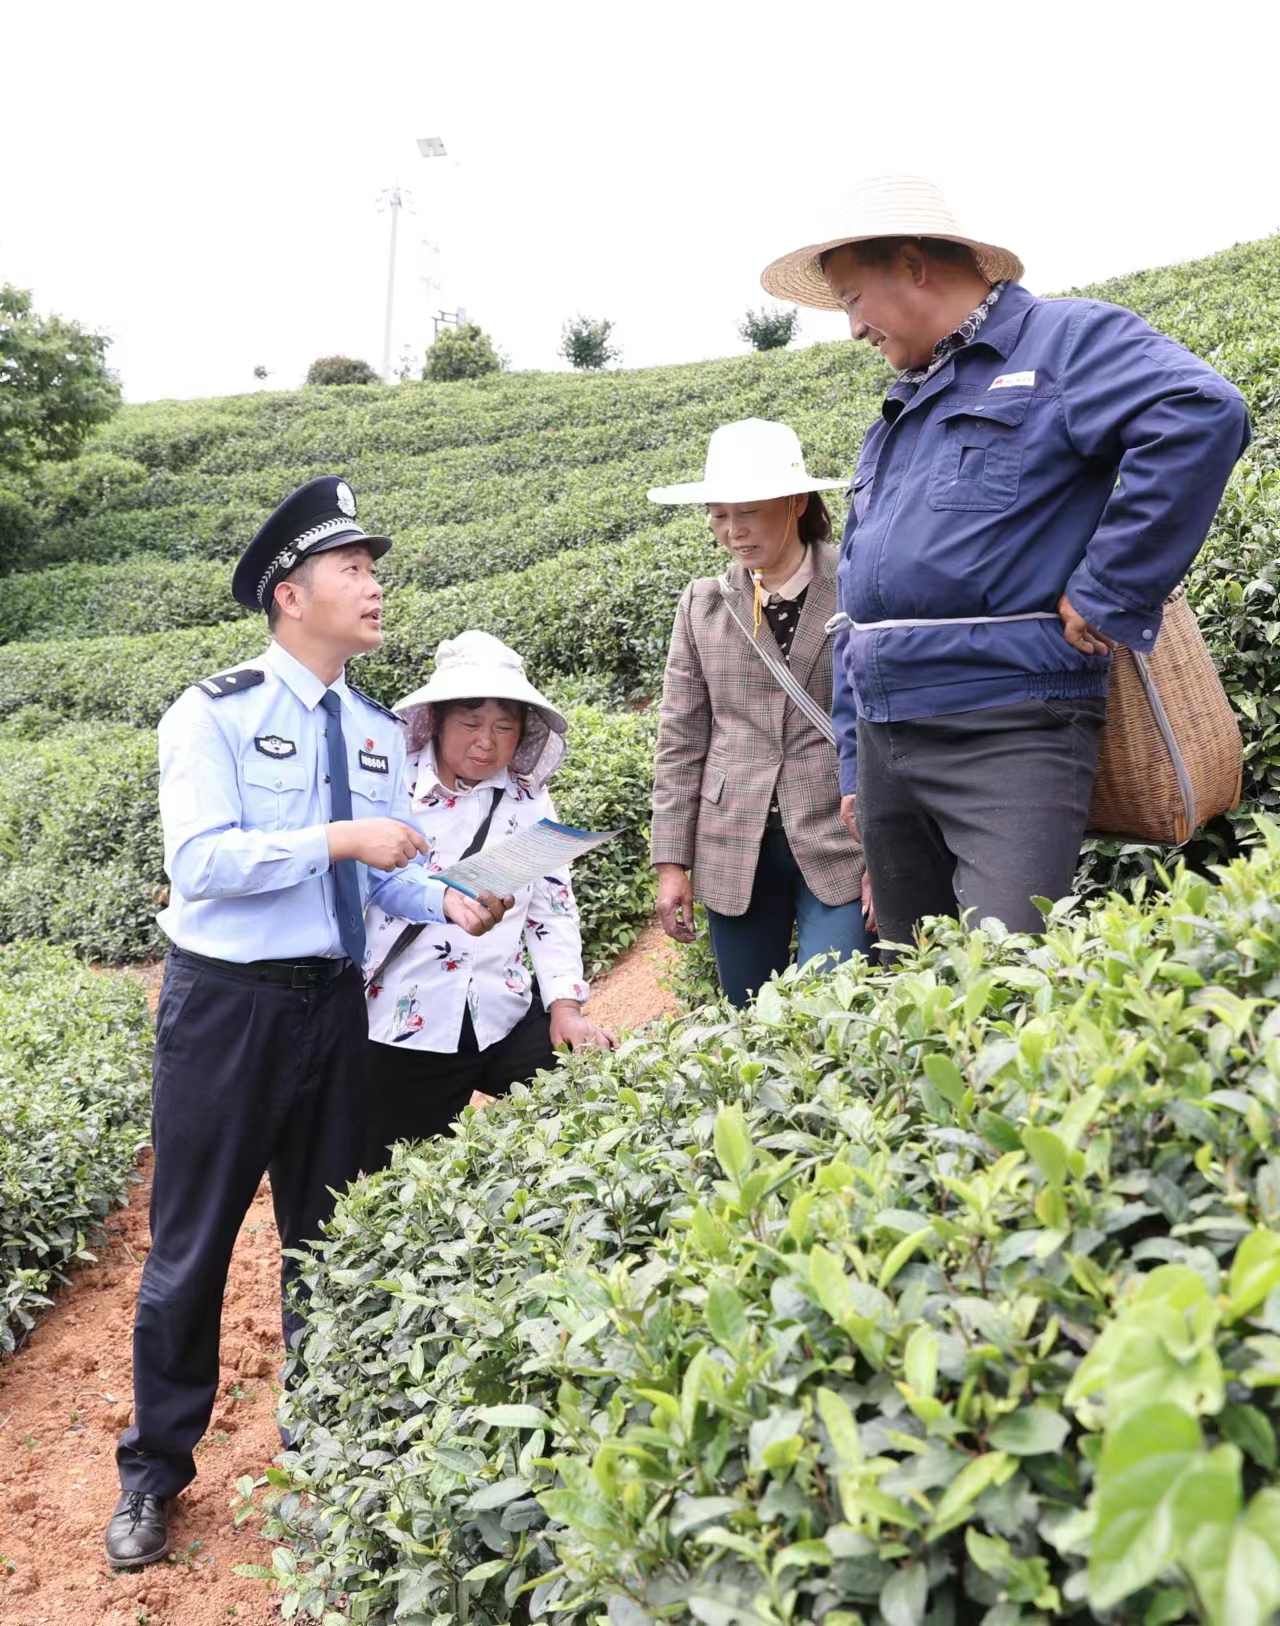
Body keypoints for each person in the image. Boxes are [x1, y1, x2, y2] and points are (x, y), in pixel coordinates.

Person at [105, 477, 513, 1568]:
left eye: (374, 570)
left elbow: (384, 885)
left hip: (337, 1008)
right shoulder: (213, 712)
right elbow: (201, 864)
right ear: (291, 595)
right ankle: (153, 1473)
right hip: (228, 1009)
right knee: (190, 1251)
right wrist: (341, 841)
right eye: (354, 571)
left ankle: (323, 1449)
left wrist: (449, 900)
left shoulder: (376, 732)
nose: (376, 587)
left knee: (326, 1241)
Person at [760, 175, 1252, 946]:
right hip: (889, 741)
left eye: (854, 298)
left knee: (1008, 969)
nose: (853, 328)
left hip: (1010, 727)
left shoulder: (1065, 342)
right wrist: (856, 764)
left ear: (915, 266)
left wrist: (1111, 587)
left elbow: (1201, 413)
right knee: (912, 978)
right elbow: (861, 603)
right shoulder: (900, 409)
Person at [363, 630, 614, 1163]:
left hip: (503, 1009)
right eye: (472, 724)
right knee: (398, 1178)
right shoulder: (391, 790)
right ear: (436, 721)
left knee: (591, 1112)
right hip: (408, 1027)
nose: (487, 742)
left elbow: (551, 906)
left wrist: (565, 1008)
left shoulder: (529, 797)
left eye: (505, 727)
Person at [648, 418, 872, 1008]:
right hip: (733, 848)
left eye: (747, 511)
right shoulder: (702, 604)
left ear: (796, 502)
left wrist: (892, 850)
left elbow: (886, 723)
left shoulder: (857, 584)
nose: (733, 531)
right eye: (719, 514)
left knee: (832, 1005)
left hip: (839, 838)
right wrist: (671, 863)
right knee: (751, 1020)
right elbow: (681, 739)